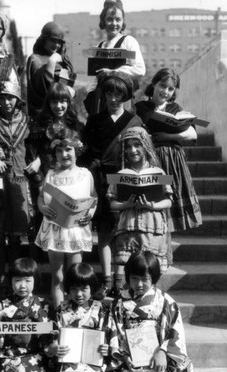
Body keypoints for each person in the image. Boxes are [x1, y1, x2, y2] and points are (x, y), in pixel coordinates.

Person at [106, 250, 204, 372]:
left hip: (158, 360)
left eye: (144, 279)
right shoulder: (118, 304)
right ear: (128, 277)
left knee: (177, 371)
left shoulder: (165, 302)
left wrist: (163, 352)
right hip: (130, 362)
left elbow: (174, 331)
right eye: (134, 279)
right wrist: (124, 357)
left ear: (154, 278)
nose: (139, 284)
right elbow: (114, 332)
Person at [81, 72, 142, 299]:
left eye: (119, 93)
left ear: (126, 95)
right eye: (109, 92)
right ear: (103, 94)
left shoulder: (134, 121)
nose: (114, 97)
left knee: (123, 233)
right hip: (100, 180)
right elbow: (85, 151)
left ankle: (120, 281)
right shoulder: (95, 120)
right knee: (105, 233)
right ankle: (107, 281)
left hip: (125, 181)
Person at [0, 56, 43, 295]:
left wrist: (39, 160)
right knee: (5, 233)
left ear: (17, 100)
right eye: (3, 98)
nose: (7, 102)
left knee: (28, 230)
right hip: (0, 183)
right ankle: (8, 277)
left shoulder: (27, 122)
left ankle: (32, 276)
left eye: (11, 98)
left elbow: (39, 147)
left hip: (23, 181)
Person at [35, 129, 97, 308]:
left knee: (75, 275)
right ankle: (58, 315)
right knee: (58, 276)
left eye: (68, 149)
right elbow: (41, 197)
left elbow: (94, 198)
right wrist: (43, 208)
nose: (64, 154)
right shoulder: (50, 175)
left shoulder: (85, 175)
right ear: (54, 153)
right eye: (59, 151)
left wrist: (90, 214)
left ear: (76, 150)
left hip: (76, 229)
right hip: (55, 230)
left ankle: (75, 315)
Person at [135, 68, 202, 232]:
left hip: (172, 161)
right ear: (154, 84)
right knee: (151, 201)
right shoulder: (141, 107)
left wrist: (167, 136)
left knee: (169, 201)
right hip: (149, 161)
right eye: (162, 86)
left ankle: (165, 246)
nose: (165, 91)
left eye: (170, 89)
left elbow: (192, 133)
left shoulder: (175, 109)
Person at [109, 127, 173, 293]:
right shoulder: (121, 173)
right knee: (130, 271)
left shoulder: (159, 172)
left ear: (145, 146)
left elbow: (168, 201)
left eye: (137, 145)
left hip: (152, 228)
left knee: (150, 271)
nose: (133, 150)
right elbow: (112, 204)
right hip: (128, 229)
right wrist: (126, 205)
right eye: (129, 146)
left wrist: (151, 205)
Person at [46, 263, 111, 372]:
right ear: (68, 289)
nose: (79, 294)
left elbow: (109, 335)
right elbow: (52, 337)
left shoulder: (101, 310)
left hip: (93, 362)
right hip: (68, 361)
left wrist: (107, 348)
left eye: (84, 289)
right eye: (74, 289)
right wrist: (55, 347)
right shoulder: (61, 310)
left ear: (92, 288)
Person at [84, 0, 145, 115]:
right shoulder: (99, 47)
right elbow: (95, 78)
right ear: (103, 21)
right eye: (109, 19)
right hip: (101, 101)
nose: (114, 23)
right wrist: (90, 95)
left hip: (122, 100)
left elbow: (140, 70)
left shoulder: (128, 41)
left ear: (123, 21)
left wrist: (113, 72)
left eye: (118, 19)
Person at [29, 82, 84, 177]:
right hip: (45, 179)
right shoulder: (39, 127)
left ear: (68, 103)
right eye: (54, 102)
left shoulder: (76, 126)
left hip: (71, 178)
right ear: (48, 103)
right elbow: (31, 153)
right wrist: (38, 161)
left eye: (62, 101)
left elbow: (83, 155)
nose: (58, 106)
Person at [26, 21, 76, 118]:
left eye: (59, 42)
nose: (56, 45)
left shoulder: (63, 60)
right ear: (44, 40)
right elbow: (42, 88)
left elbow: (66, 87)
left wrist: (70, 91)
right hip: (43, 116)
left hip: (62, 115)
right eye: (53, 41)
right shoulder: (35, 59)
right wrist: (51, 62)